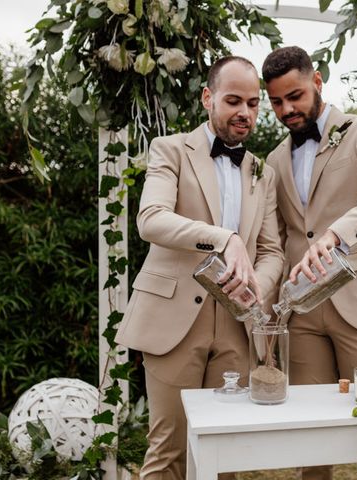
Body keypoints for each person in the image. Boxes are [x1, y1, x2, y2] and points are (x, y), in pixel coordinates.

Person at [115, 56, 284, 480]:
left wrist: (255, 287)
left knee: (221, 454)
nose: (244, 112)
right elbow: (150, 218)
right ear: (208, 98)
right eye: (233, 101)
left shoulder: (262, 172)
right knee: (168, 450)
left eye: (252, 103)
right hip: (174, 321)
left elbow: (271, 251)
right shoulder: (170, 149)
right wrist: (224, 237)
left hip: (235, 324)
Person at [262, 46, 357, 480]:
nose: (286, 108)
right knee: (311, 437)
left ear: (317, 81)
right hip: (303, 310)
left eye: (294, 96)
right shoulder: (274, 160)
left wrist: (336, 235)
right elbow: (279, 240)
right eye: (276, 101)